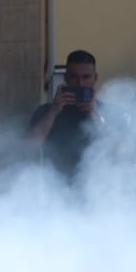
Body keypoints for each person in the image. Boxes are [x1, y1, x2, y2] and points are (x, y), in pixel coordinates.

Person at [28, 49, 103, 179]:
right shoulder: (46, 111)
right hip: (57, 188)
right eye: (74, 77)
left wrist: (95, 115)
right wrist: (54, 111)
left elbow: (120, 150)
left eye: (86, 77)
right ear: (66, 78)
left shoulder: (108, 112)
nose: (80, 83)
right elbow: (29, 146)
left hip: (100, 187)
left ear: (95, 78)